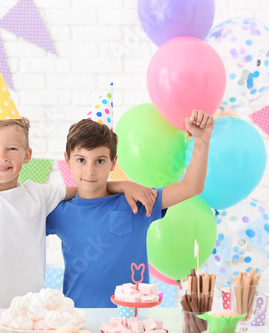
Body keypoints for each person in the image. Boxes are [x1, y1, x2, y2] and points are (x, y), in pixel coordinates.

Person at [0, 57, 156, 307]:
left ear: (27, 155)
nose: (2, 158)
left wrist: (123, 185)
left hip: (32, 315)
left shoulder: (39, 195)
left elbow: (89, 187)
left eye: (12, 148)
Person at [47, 103, 213, 308]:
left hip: (132, 319)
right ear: (67, 159)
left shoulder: (136, 202)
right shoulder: (59, 212)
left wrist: (201, 141)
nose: (89, 171)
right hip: (79, 318)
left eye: (99, 161)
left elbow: (191, 186)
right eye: (81, 160)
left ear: (113, 163)